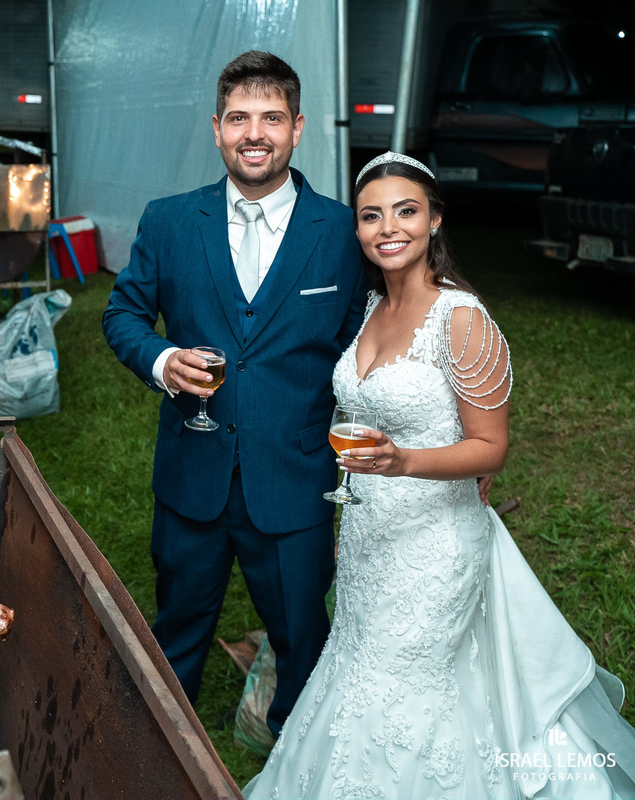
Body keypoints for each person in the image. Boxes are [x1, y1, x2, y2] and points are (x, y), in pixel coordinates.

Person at [243, 152, 635, 798]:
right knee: (357, 669)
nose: (388, 228)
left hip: (435, 548)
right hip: (370, 539)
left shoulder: (461, 318)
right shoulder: (371, 307)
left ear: (435, 219)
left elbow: (491, 447)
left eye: (405, 211)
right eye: (371, 215)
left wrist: (405, 462)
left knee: (408, 691)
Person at [101, 51, 368, 737]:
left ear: (297, 128)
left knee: (302, 637)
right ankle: (162, 749)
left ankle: (296, 753)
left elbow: (370, 344)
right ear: (217, 128)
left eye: (272, 118)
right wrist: (162, 358)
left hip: (294, 478)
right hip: (191, 476)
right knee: (177, 629)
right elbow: (123, 313)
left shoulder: (343, 233)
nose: (255, 134)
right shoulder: (168, 221)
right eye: (240, 118)